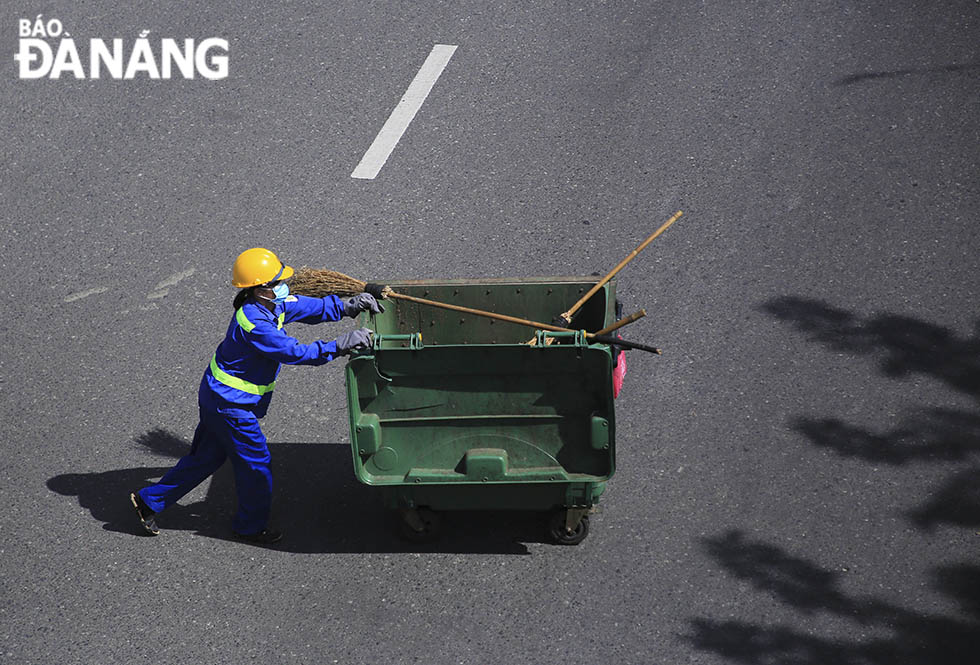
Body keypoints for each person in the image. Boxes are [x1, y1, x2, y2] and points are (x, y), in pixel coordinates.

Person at [130, 248, 381, 545]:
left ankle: (149, 501)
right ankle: (250, 527)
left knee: (206, 458)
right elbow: (294, 352)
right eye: (276, 283)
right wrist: (341, 345)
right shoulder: (255, 324)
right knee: (256, 466)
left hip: (217, 397)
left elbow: (305, 307)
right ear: (258, 289)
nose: (283, 286)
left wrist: (347, 307)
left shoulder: (270, 303)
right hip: (230, 406)